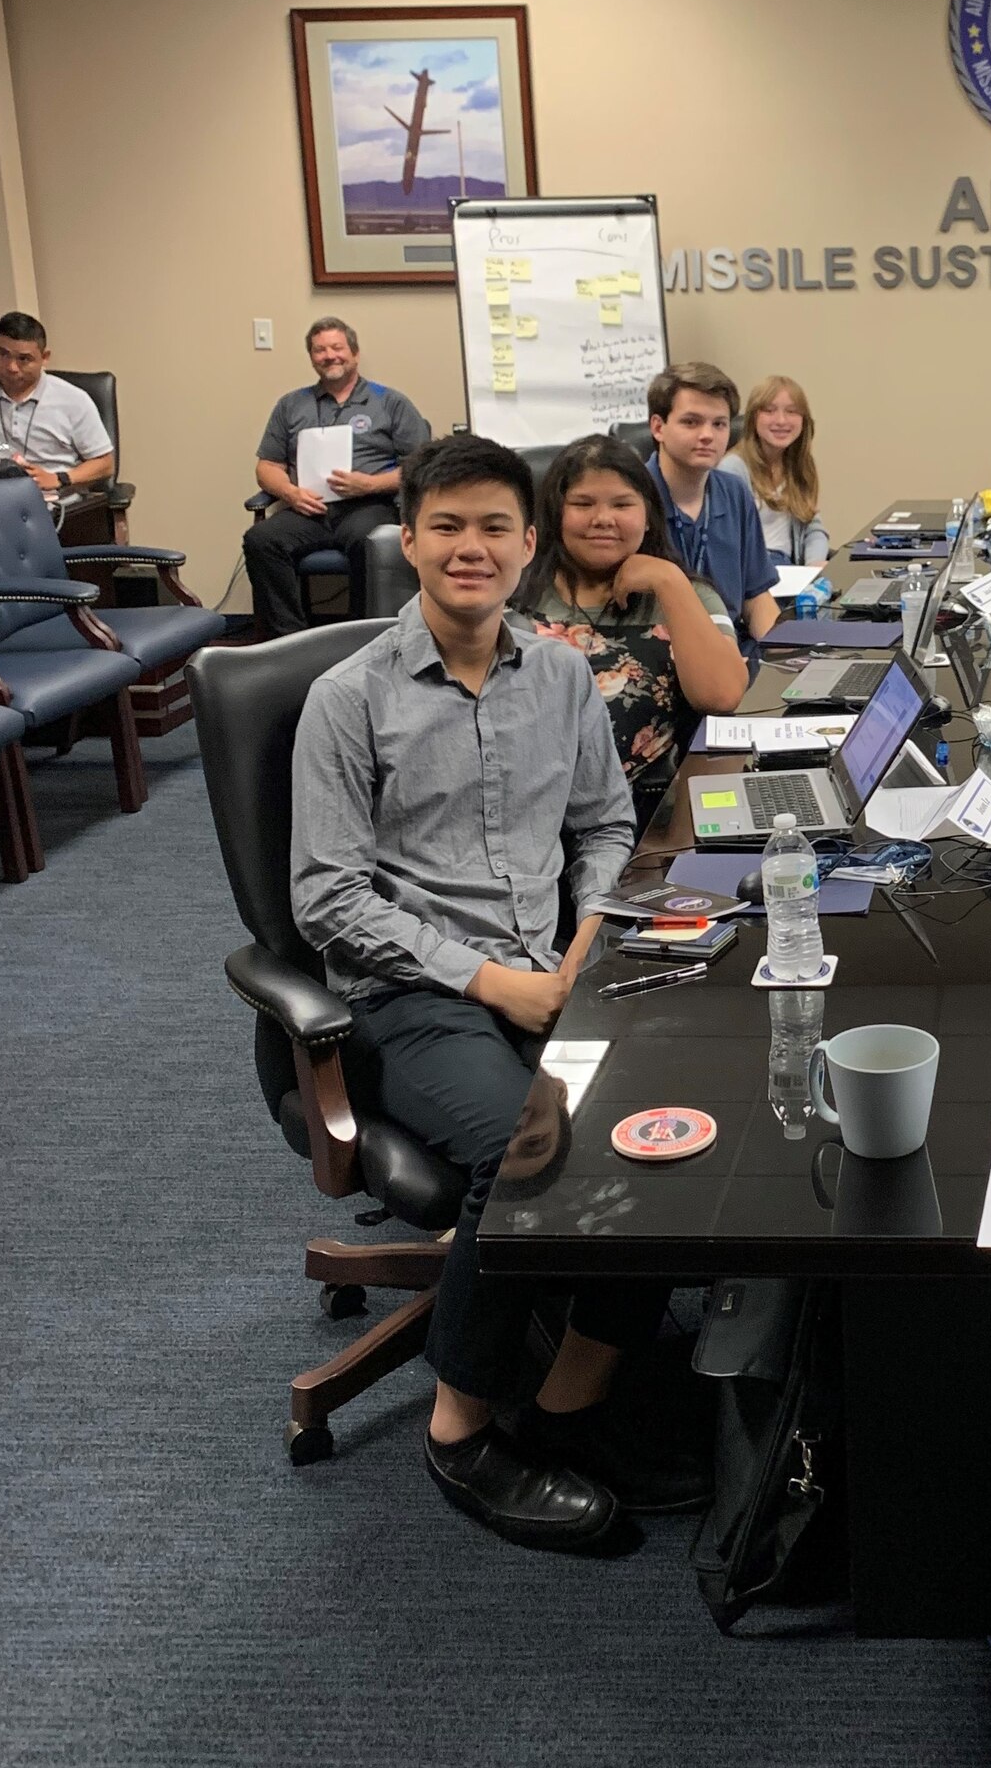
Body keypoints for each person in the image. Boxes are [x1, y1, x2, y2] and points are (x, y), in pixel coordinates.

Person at [292, 432, 675, 1549]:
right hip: (414, 992)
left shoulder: (558, 671)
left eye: (494, 526)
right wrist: (494, 982)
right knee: (536, 1148)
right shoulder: (346, 699)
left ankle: (568, 1409)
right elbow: (326, 900)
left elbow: (606, 822)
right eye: (447, 525)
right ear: (406, 537)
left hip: (557, 967)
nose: (471, 547)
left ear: (528, 544)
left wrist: (589, 936)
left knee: (668, 1133)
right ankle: (459, 1433)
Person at [515, 433, 747, 821]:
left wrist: (669, 582)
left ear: (648, 515)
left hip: (643, 813)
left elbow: (722, 696)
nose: (603, 519)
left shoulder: (685, 594)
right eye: (582, 504)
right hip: (526, 811)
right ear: (555, 514)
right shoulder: (517, 592)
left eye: (622, 504)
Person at [244, 317, 431, 636]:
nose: (329, 355)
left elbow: (421, 465)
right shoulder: (291, 405)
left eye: (337, 347)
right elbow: (267, 467)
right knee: (261, 540)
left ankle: (360, 634)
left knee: (370, 542)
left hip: (370, 506)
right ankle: (289, 640)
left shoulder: (389, 401)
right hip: (308, 509)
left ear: (355, 354)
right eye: (319, 350)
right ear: (312, 358)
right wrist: (291, 494)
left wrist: (369, 484)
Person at [644, 362, 779, 663]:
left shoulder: (734, 492)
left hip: (734, 655)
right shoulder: (631, 499)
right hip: (662, 658)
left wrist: (787, 661)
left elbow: (755, 599)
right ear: (658, 427)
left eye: (719, 424)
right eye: (691, 422)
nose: (708, 435)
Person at [0, 312, 115, 501]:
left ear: (44, 357)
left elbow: (105, 464)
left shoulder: (73, 400)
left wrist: (58, 479)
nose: (11, 366)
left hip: (55, 509)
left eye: (23, 359)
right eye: (3, 354)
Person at [721, 374, 831, 567]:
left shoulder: (799, 464)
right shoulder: (733, 468)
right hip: (755, 572)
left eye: (791, 411)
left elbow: (812, 526)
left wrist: (815, 564)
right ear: (753, 418)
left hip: (792, 570)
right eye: (769, 411)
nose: (781, 420)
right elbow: (730, 543)